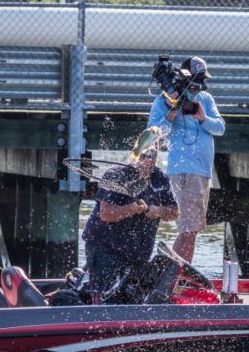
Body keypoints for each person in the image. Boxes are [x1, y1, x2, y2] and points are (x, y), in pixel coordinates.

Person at [147, 56, 225, 263]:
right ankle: (175, 277)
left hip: (202, 171)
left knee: (191, 230)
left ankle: (174, 275)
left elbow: (220, 127)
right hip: (184, 170)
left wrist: (202, 118)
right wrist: (171, 114)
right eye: (197, 81)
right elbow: (153, 134)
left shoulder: (205, 99)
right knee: (189, 230)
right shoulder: (163, 100)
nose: (200, 86)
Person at [82, 148, 179, 303]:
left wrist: (159, 211)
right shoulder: (117, 174)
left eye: (152, 157)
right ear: (135, 154)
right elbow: (106, 213)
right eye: (143, 156)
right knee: (105, 295)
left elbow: (174, 212)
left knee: (130, 297)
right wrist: (132, 209)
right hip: (105, 247)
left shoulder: (159, 177)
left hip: (139, 253)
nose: (147, 160)